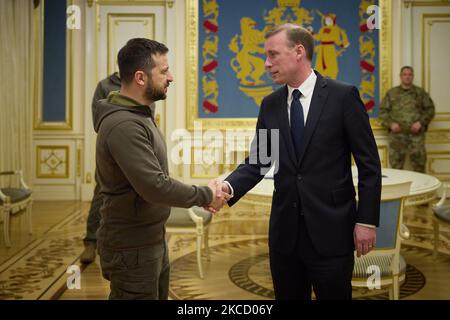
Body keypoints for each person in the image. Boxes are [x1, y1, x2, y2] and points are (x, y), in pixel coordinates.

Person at [219, 24, 381, 300]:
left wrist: (366, 221)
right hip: (285, 236)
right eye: (266, 56)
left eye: (273, 55)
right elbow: (260, 161)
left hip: (332, 231)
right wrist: (226, 187)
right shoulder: (270, 104)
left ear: (299, 52)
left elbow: (369, 165)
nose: (267, 64)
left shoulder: (343, 96)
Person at [93, 38, 229, 300]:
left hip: (149, 239)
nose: (171, 77)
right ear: (141, 78)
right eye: (164, 71)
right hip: (132, 247)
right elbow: (154, 186)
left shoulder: (139, 114)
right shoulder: (125, 125)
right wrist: (206, 195)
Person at [80, 72, 121, 264]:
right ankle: (91, 241)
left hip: (137, 148)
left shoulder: (143, 83)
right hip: (110, 149)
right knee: (101, 193)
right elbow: (98, 120)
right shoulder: (104, 86)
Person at [379, 66, 435, 173]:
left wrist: (421, 122)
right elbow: (382, 111)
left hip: (416, 136)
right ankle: (398, 190)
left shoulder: (420, 93)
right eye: (405, 74)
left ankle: (421, 188)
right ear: (401, 76)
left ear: (413, 77)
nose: (407, 77)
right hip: (397, 137)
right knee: (396, 169)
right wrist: (391, 124)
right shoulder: (392, 93)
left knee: (419, 167)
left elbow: (430, 109)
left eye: (410, 75)